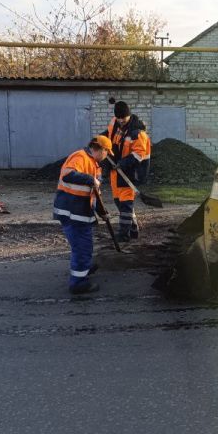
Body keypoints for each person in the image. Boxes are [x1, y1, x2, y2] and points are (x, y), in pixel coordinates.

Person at [53, 135, 110, 295]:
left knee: (84, 245)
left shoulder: (94, 165)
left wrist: (102, 213)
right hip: (72, 212)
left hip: (79, 212)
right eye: (107, 153)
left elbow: (94, 194)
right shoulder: (81, 157)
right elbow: (68, 174)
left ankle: (84, 267)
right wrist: (89, 179)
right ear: (102, 150)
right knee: (82, 247)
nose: (107, 157)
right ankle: (78, 283)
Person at [103, 101, 151, 240]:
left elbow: (138, 155)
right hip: (115, 171)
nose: (121, 120)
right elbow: (108, 134)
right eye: (118, 118)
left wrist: (122, 163)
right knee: (119, 202)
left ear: (129, 115)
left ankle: (124, 234)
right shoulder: (115, 123)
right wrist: (99, 140)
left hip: (130, 173)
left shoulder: (137, 133)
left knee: (126, 204)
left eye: (123, 118)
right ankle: (134, 230)